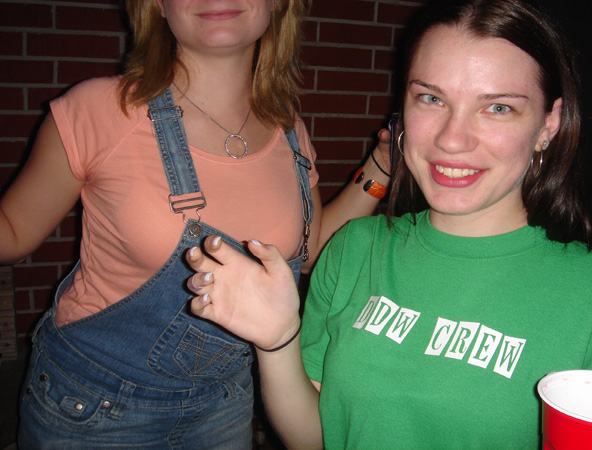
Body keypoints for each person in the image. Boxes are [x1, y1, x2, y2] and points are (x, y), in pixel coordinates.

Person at [185, 0, 592, 448]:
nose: (452, 139)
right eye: (431, 98)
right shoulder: (354, 249)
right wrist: (278, 341)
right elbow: (319, 437)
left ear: (548, 124)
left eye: (498, 107)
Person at [0, 0, 391, 448]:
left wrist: (380, 167)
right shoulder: (101, 109)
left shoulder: (289, 130)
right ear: (157, 5)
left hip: (224, 406)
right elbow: (12, 231)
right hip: (92, 408)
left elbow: (310, 252)